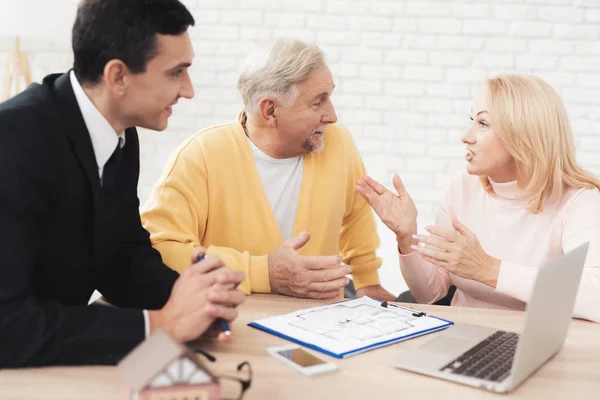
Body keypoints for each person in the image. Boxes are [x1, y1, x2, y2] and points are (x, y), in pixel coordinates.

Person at [0, 0, 245, 368]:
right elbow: (7, 325)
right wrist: (162, 323)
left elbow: (122, 256)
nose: (189, 90)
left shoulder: (121, 133)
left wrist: (186, 297)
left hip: (57, 361)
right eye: (176, 72)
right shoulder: (13, 142)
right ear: (117, 77)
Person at [141, 39, 396, 301]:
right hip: (236, 316)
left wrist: (367, 281)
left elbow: (356, 214)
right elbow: (163, 249)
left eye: (330, 97)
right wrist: (264, 273)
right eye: (318, 102)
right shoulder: (200, 156)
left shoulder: (338, 143)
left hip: (322, 315)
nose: (332, 115)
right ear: (270, 110)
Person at [356, 74, 600, 322]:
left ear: (523, 135)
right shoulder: (463, 186)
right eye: (472, 120)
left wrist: (487, 269)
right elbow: (429, 294)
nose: (466, 136)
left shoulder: (580, 201)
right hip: (462, 336)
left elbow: (596, 300)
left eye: (483, 123)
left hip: (536, 344)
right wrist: (406, 237)